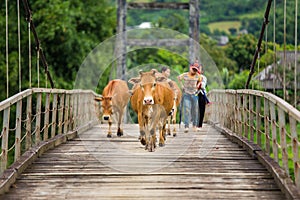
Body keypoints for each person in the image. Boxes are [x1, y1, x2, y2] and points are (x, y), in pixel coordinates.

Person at [177, 62, 201, 133]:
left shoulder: (198, 76)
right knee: (187, 109)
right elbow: (178, 78)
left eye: (195, 70)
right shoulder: (185, 75)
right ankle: (186, 126)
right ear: (190, 68)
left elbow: (200, 81)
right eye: (193, 69)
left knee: (195, 110)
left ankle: (194, 125)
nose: (194, 71)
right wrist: (181, 85)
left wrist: (198, 85)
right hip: (186, 94)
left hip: (194, 94)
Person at [195, 63, 208, 129]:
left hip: (201, 94)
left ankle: (199, 124)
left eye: (199, 68)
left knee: (201, 109)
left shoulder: (203, 77)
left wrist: (199, 83)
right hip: (193, 94)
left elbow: (203, 85)